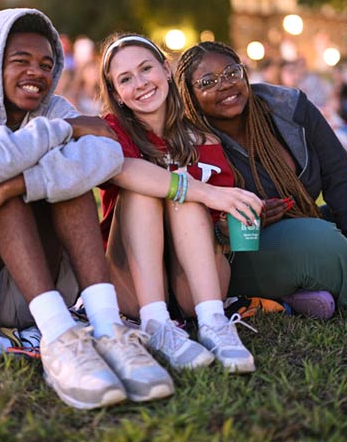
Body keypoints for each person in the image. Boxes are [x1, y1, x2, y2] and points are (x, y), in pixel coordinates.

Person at [0, 9, 172, 410]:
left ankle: (108, 329)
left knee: (64, 183)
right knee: (2, 183)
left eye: (46, 64)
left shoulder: (54, 105)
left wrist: (14, 183)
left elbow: (108, 154)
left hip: (37, 290)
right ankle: (60, 341)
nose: (36, 73)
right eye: (20, 61)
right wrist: (63, 130)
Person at [176, 42, 347, 318]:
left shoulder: (289, 108)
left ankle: (301, 294)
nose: (225, 85)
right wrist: (233, 226)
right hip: (239, 255)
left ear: (245, 74)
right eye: (208, 81)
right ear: (190, 95)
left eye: (231, 73)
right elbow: (189, 229)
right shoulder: (190, 142)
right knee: (322, 241)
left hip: (306, 228)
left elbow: (340, 175)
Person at [98, 33, 263, 373]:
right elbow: (122, 169)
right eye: (126, 79)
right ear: (116, 93)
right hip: (131, 284)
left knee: (185, 193)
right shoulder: (112, 130)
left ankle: (214, 323)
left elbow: (221, 226)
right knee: (155, 187)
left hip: (194, 285)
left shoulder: (201, 139)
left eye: (146, 69)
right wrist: (205, 191)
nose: (140, 83)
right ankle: (157, 324)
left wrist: (226, 212)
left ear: (166, 68)